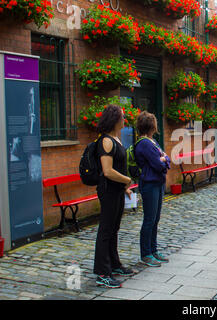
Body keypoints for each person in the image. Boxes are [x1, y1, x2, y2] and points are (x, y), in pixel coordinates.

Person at [93, 105, 135, 289]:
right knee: (106, 230)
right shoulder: (106, 142)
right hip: (108, 190)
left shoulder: (116, 139)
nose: (124, 120)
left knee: (114, 228)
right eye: (122, 117)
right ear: (115, 119)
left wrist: (125, 187)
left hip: (117, 190)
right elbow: (108, 171)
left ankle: (114, 264)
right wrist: (127, 180)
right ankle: (102, 272)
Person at [135, 111, 171, 267]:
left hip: (158, 183)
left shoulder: (153, 142)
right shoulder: (144, 143)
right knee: (149, 219)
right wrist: (163, 160)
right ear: (152, 126)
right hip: (150, 184)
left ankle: (154, 250)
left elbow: (166, 159)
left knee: (155, 219)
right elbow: (159, 164)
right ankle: (146, 254)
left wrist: (163, 160)